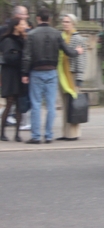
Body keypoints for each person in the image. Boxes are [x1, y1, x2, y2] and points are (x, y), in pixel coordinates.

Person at [21, 8, 83, 144]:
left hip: (36, 71)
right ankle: (48, 135)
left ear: (38, 18)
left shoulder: (32, 34)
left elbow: (27, 56)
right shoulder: (56, 34)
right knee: (51, 105)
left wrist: (24, 73)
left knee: (36, 104)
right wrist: (77, 51)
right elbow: (67, 51)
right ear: (49, 19)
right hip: (52, 71)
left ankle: (36, 136)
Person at [57, 14, 87, 141]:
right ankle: (66, 132)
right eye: (64, 21)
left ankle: (74, 133)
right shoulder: (61, 37)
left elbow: (81, 59)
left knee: (74, 105)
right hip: (62, 73)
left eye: (67, 22)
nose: (65, 24)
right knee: (65, 104)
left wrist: (79, 78)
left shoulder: (78, 38)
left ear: (73, 24)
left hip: (73, 74)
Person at [0, 17, 29, 142]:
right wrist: (20, 55)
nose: (24, 26)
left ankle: (17, 133)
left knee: (19, 104)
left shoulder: (23, 39)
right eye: (22, 24)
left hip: (18, 73)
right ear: (16, 26)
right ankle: (2, 133)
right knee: (10, 102)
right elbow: (9, 58)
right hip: (10, 74)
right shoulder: (8, 40)